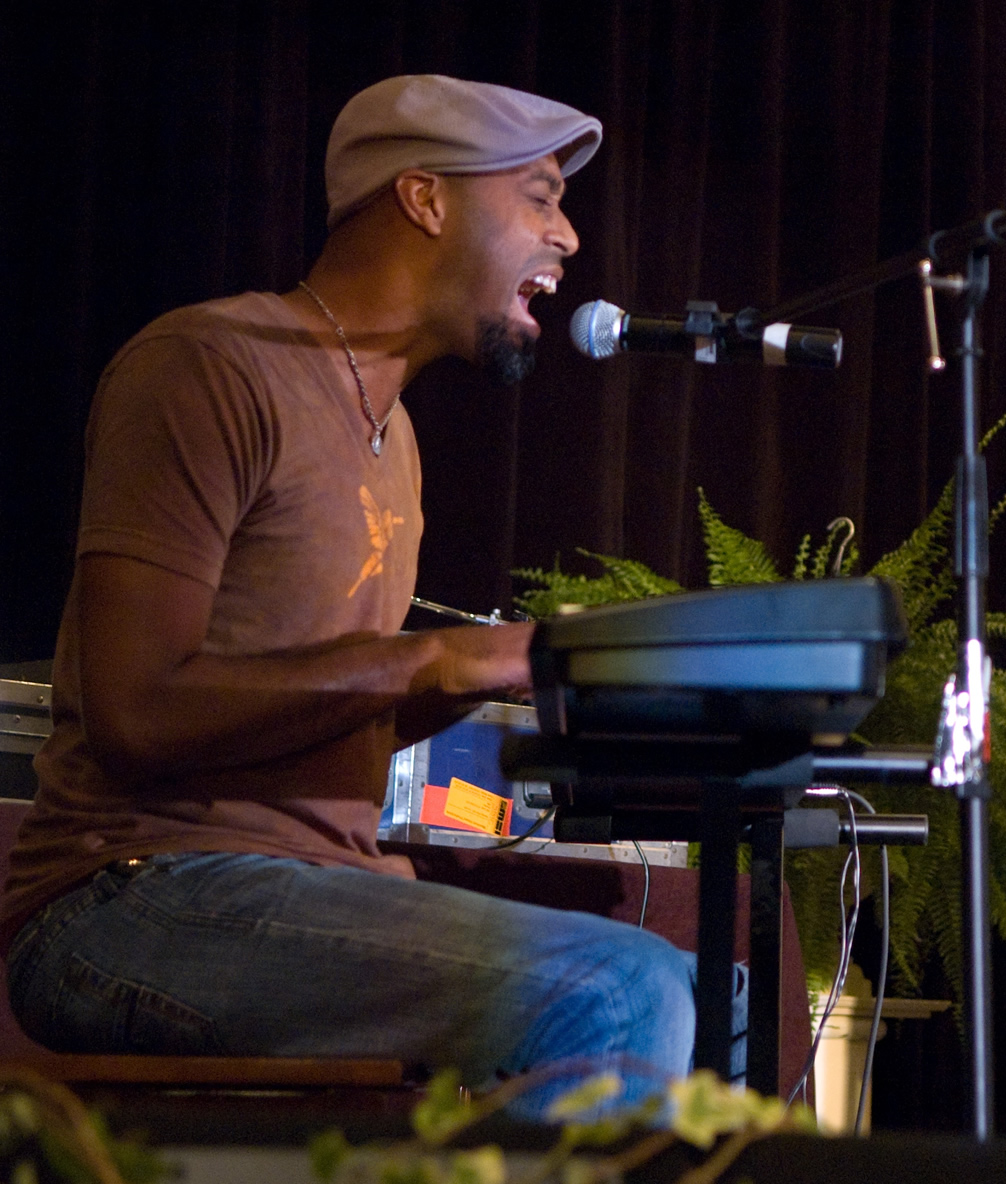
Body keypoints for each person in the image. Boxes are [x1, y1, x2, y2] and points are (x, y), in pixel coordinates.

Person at [2, 75, 699, 1114]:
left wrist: (525, 671)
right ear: (425, 198)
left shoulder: (394, 439)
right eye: (541, 195)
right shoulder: (210, 365)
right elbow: (138, 712)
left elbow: (323, 720)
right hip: (128, 898)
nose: (569, 238)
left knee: (702, 991)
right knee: (614, 989)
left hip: (299, 887)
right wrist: (449, 656)